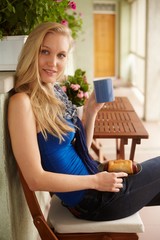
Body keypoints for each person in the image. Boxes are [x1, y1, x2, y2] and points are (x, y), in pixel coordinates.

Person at [8, 22, 160, 221]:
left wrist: (91, 110)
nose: (53, 62)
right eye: (45, 52)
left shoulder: (51, 91)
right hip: (94, 200)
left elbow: (81, 150)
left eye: (61, 55)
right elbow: (35, 179)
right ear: (32, 52)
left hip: (92, 181)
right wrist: (96, 181)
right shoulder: (22, 102)